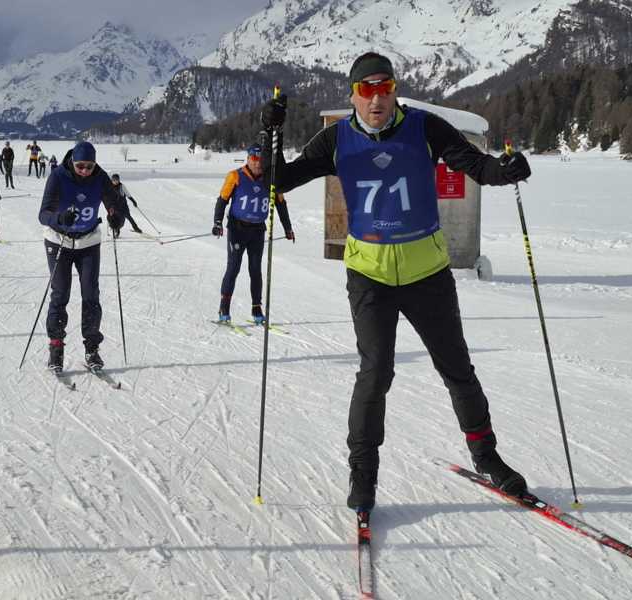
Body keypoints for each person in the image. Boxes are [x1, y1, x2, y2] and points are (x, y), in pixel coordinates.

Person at [259, 51, 533, 513]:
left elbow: (476, 167)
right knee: (375, 373)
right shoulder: (336, 140)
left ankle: (486, 457)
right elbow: (276, 179)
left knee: (457, 369)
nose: (376, 98)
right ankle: (363, 474)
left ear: (394, 91)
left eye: (385, 88)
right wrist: (270, 131)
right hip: (369, 276)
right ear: (353, 95)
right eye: (366, 89)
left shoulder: (425, 127)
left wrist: (505, 171)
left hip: (427, 273)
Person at [37, 141, 128, 373]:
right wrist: (59, 219)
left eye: (89, 166)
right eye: (80, 166)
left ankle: (92, 349)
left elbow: (114, 204)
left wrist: (116, 217)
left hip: (88, 242)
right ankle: (56, 349)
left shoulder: (100, 177)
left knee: (90, 295)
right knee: (60, 293)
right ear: (72, 162)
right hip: (59, 241)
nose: (85, 171)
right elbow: (43, 213)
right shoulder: (58, 176)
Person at [212, 144, 294, 325]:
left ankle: (256, 308)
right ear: (248, 158)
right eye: (254, 158)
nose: (257, 163)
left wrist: (288, 228)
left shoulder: (271, 179)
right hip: (237, 229)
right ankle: (224, 307)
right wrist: (217, 222)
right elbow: (222, 200)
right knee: (233, 268)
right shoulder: (235, 176)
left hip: (257, 230)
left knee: (255, 270)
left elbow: (281, 204)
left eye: (261, 159)